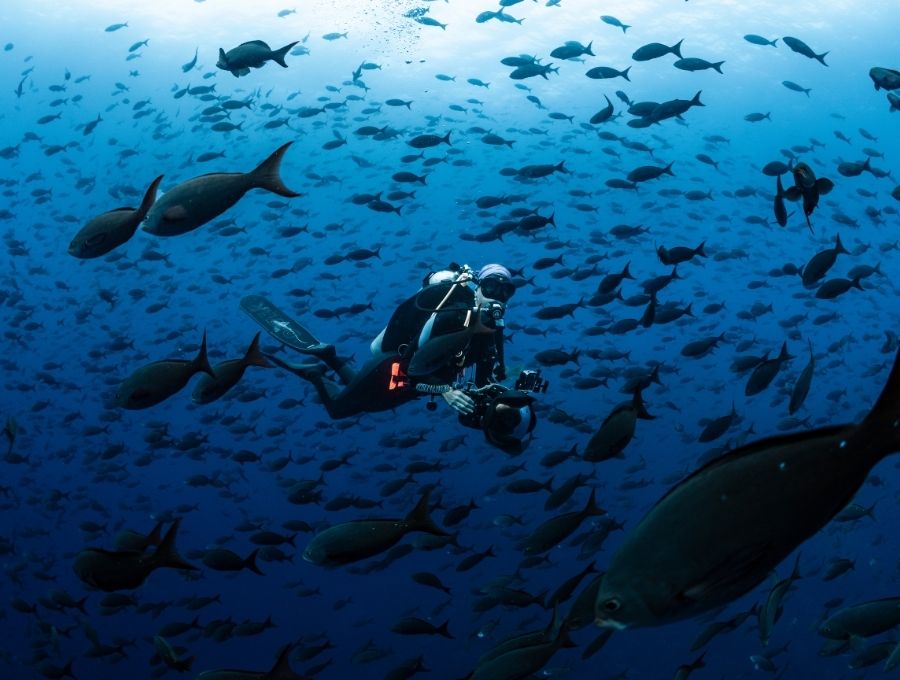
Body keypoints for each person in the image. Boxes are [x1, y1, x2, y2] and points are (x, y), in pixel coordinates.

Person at [250, 263, 516, 420]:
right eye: (492, 287)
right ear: (478, 287)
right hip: (392, 367)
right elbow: (414, 369)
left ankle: (329, 358)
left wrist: (506, 399)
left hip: (414, 384)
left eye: (506, 292)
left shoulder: (490, 334)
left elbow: (483, 384)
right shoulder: (456, 318)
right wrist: (446, 390)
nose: (498, 297)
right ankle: (315, 373)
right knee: (338, 410)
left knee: (369, 403)